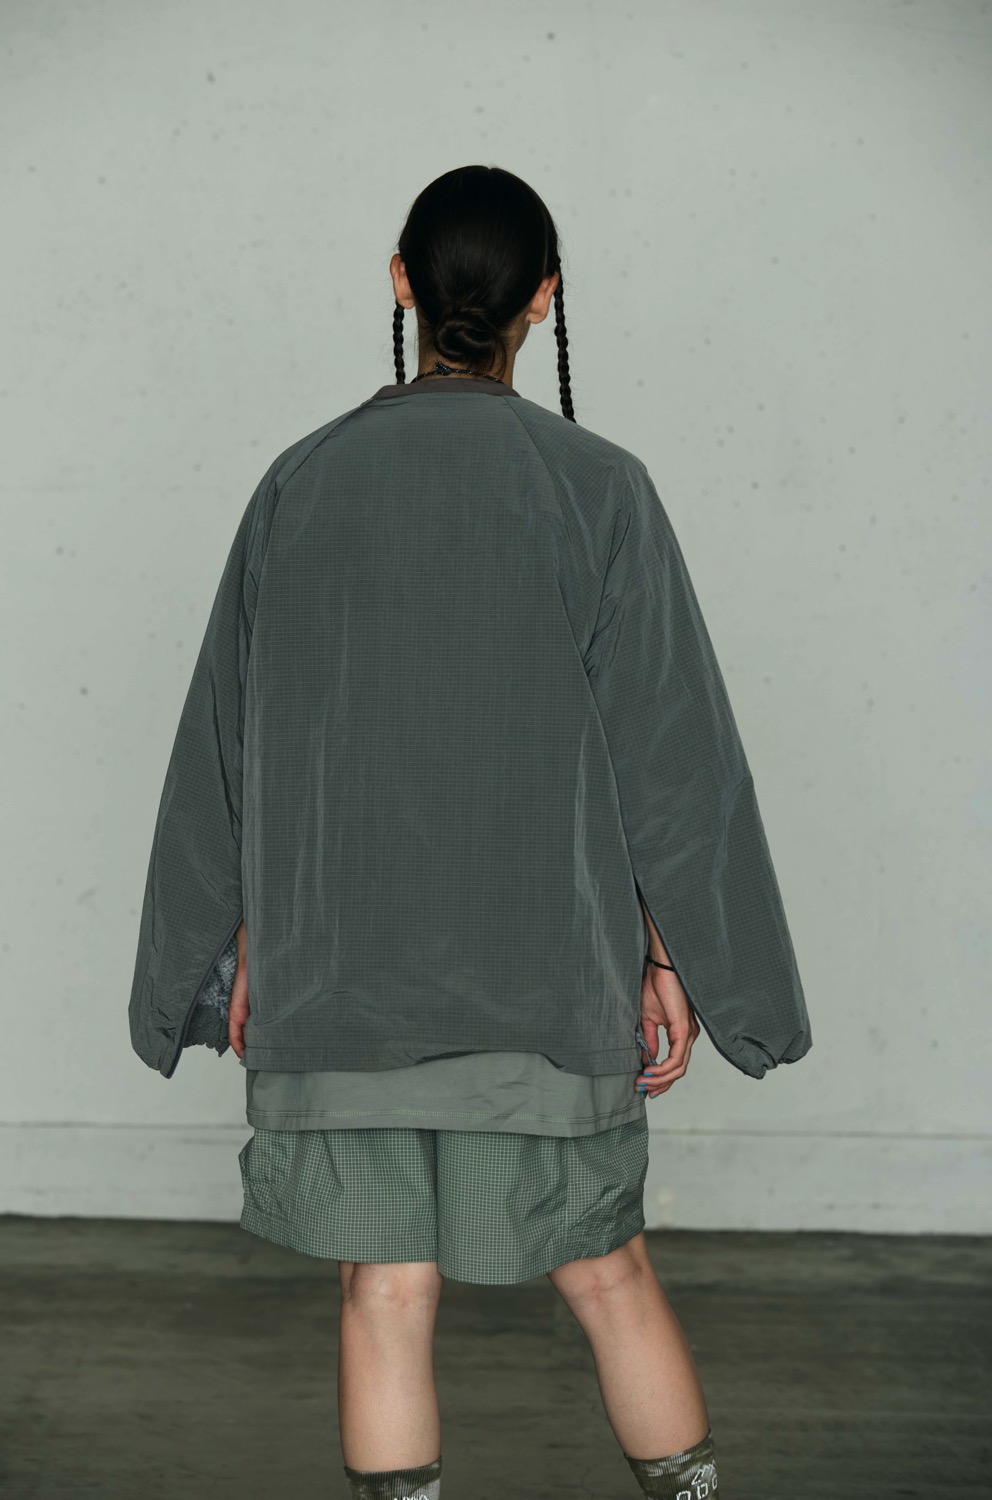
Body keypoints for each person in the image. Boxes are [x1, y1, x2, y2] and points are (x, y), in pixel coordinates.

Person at [128, 164, 812, 1500]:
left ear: (400, 282)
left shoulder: (300, 483)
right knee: (609, 1277)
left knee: (383, 1294)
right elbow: (673, 759)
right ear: (543, 301)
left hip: (341, 986)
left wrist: (219, 956)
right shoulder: (600, 488)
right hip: (544, 984)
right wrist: (684, 962)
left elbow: (227, 745)